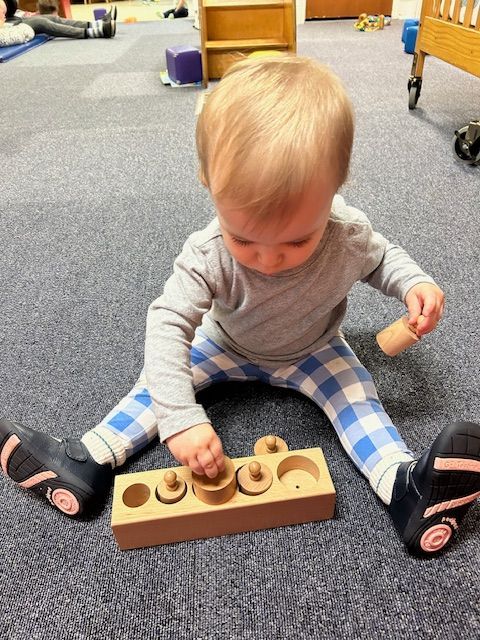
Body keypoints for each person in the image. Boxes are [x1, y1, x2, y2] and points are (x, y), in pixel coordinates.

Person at [1, 56, 479, 556]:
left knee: (357, 397)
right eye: (244, 239)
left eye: (297, 242)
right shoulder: (206, 253)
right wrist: (180, 417)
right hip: (224, 343)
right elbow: (167, 324)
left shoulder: (347, 234)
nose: (269, 260)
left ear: (334, 192)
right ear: (208, 182)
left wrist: (413, 284)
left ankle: (405, 487)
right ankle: (88, 459)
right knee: (158, 385)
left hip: (314, 347)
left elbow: (382, 257)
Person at [0, 0, 117, 41]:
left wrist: (23, 13)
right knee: (42, 23)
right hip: (7, 26)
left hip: (12, 19)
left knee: (52, 18)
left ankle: (98, 23)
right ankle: (98, 31)